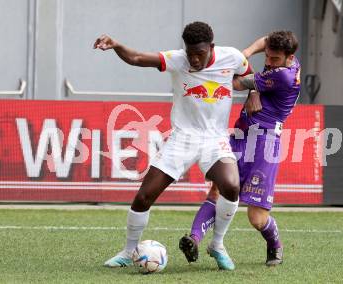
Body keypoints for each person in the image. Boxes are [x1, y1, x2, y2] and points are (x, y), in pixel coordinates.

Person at [93, 21, 252, 271]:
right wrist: (116, 45)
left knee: (232, 186)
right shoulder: (178, 60)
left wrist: (254, 94)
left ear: (211, 47)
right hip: (182, 139)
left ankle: (217, 245)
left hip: (215, 139)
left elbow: (248, 75)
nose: (194, 60)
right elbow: (136, 58)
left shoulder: (232, 57)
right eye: (190, 53)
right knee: (144, 196)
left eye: (199, 54)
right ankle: (127, 251)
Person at [179, 30, 301, 266]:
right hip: (240, 136)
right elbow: (265, 40)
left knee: (256, 217)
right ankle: (193, 239)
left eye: (274, 59)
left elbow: (236, 81)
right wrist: (245, 58)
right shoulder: (285, 57)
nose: (268, 61)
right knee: (217, 189)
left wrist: (242, 72)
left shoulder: (285, 76)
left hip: (264, 145)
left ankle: (275, 243)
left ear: (289, 58)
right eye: (267, 56)